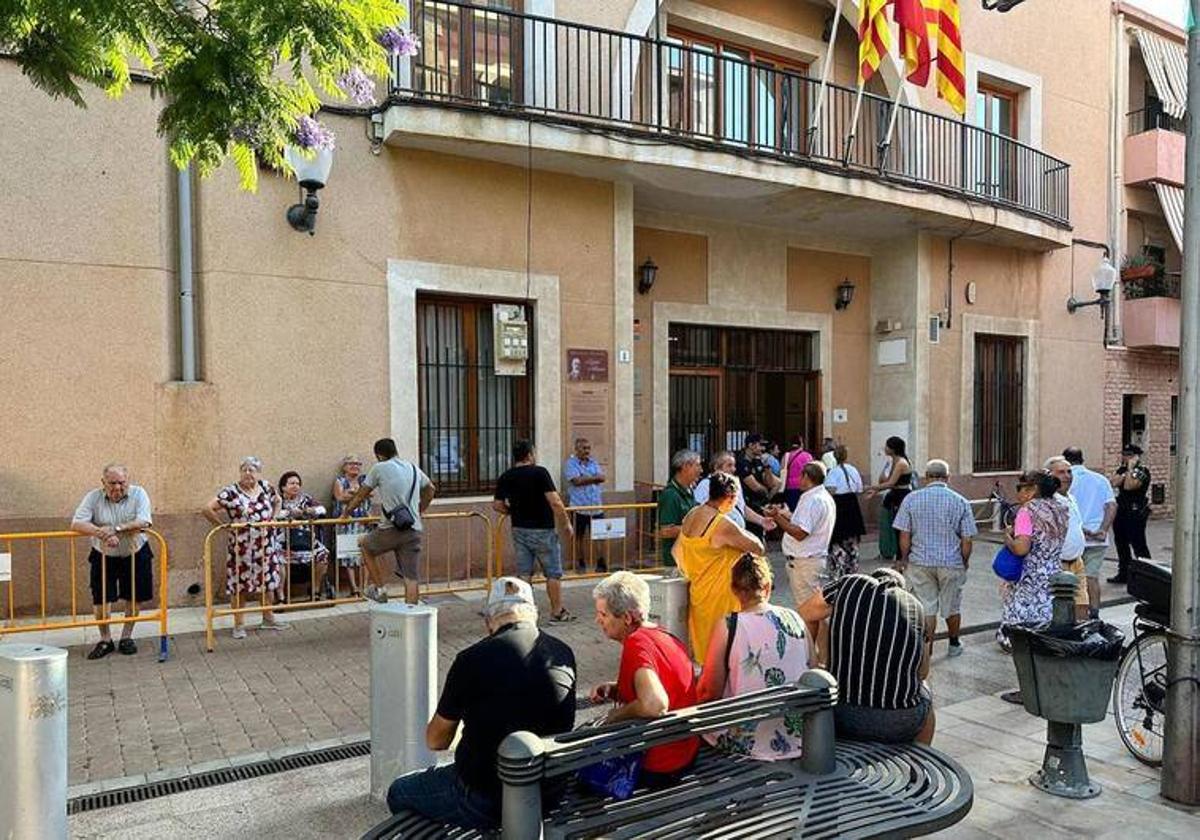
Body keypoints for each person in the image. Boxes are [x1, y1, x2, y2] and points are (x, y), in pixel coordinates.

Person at [386, 576, 576, 831]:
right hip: (550, 792)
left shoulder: (471, 660)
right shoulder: (563, 652)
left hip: (485, 799)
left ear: (489, 620)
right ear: (535, 613)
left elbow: (436, 740)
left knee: (399, 791)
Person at [799, 569, 933, 745]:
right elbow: (922, 673)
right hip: (899, 722)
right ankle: (920, 759)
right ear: (902, 590)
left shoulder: (850, 585)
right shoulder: (916, 608)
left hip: (839, 714)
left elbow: (804, 613)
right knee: (925, 691)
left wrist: (815, 663)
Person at [696, 554, 810, 760]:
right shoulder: (795, 618)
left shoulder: (729, 625)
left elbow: (708, 692)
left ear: (733, 589)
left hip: (747, 741)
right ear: (767, 586)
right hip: (799, 735)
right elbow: (811, 667)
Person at [590, 572, 699, 786]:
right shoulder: (663, 635)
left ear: (627, 618)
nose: (598, 620)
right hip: (687, 752)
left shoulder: (636, 644)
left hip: (661, 765)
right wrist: (615, 689)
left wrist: (615, 715)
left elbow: (654, 704)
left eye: (603, 614)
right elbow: (663, 685)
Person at [674, 472, 765, 662]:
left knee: (704, 654)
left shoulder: (692, 515)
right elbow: (758, 547)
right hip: (721, 597)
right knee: (723, 655)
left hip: (698, 592)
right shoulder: (721, 524)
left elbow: (676, 551)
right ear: (730, 497)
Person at [893, 460, 976, 660]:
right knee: (952, 605)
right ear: (947, 477)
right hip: (951, 561)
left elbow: (904, 535)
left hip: (920, 561)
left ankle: (926, 649)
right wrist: (964, 561)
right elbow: (967, 539)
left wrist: (904, 559)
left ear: (926, 476)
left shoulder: (911, 499)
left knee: (926, 605)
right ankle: (954, 643)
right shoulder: (960, 501)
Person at [70, 464, 155, 659]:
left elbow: (144, 521)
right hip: (103, 554)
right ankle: (105, 640)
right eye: (112, 483)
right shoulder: (93, 497)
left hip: (135, 552)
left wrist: (116, 529)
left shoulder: (139, 493)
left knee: (133, 596)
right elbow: (77, 523)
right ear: (103, 483)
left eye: (121, 483)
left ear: (128, 481)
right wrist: (102, 534)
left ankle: (126, 637)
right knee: (101, 598)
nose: (117, 488)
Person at [341, 438, 436, 605]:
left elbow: (362, 494)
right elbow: (431, 489)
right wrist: (420, 509)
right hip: (413, 528)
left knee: (365, 545)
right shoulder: (412, 467)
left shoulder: (380, 468)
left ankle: (380, 589)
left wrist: (346, 513)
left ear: (379, 455)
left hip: (390, 529)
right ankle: (411, 616)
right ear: (395, 451)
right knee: (411, 578)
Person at [202, 457, 287, 639]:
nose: (248, 473)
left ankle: (268, 618)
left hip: (266, 546)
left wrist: (274, 518)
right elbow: (207, 508)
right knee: (239, 586)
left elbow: (278, 501)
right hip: (242, 549)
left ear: (259, 472)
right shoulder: (231, 492)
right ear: (240, 472)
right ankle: (239, 624)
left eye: (253, 470)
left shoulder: (265, 486)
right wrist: (222, 526)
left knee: (268, 582)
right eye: (245, 470)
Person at [493, 440, 576, 622]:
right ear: (530, 455)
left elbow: (497, 505)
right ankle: (557, 611)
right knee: (553, 573)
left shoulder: (506, 476)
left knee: (524, 574)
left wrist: (513, 511)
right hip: (543, 530)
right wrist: (566, 523)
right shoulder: (540, 472)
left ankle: (524, 613)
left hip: (519, 529)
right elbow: (555, 501)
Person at [997, 470, 1069, 655]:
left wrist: (1007, 537)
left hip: (1030, 576)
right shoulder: (1059, 508)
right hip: (1053, 572)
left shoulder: (1026, 511)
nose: (1017, 493)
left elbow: (1021, 548)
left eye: (1019, 488)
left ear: (1032, 489)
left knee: (1023, 628)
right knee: (1045, 618)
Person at [768, 461, 836, 641]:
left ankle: (812, 653)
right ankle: (824, 655)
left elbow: (800, 533)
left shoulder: (813, 500)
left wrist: (777, 518)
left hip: (806, 562)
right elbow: (803, 523)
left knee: (810, 613)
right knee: (817, 611)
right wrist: (785, 515)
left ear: (806, 477)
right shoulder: (819, 496)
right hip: (811, 560)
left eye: (800, 475)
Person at [1063, 447, 1116, 617]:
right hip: (1097, 539)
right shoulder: (1100, 479)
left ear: (1066, 461)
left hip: (1073, 539)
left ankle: (1072, 615)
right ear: (1082, 459)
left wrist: (1081, 530)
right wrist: (1103, 530)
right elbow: (1111, 505)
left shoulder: (1066, 481)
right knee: (1091, 577)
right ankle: (1094, 613)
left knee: (1069, 579)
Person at [277, 471, 332, 601]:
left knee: (323, 553)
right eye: (291, 483)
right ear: (283, 487)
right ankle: (280, 595)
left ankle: (315, 590)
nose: (295, 486)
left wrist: (309, 510)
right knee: (276, 557)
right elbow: (273, 514)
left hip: (306, 539)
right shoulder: (278, 500)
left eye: (297, 483)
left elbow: (322, 510)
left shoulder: (306, 499)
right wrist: (290, 513)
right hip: (284, 541)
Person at [1045, 456, 1089, 620]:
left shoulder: (1072, 498)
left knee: (1082, 605)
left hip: (1077, 561)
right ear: (1050, 476)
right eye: (1061, 472)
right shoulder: (1049, 502)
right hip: (1058, 563)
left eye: (1069, 472)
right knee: (1058, 611)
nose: (1067, 476)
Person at [694, 451, 777, 535]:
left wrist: (761, 520)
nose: (734, 469)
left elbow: (742, 507)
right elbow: (699, 512)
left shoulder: (734, 483)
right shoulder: (705, 485)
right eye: (729, 465)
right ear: (716, 467)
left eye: (734, 465)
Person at [864, 436, 913, 564]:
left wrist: (871, 487)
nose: (884, 448)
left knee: (900, 527)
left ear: (893, 448)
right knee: (892, 525)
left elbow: (891, 483)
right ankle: (892, 552)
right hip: (895, 495)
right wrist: (874, 491)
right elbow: (887, 482)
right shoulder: (894, 461)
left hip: (901, 496)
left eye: (887, 446)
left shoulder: (901, 463)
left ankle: (901, 557)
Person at [1110, 444, 1152, 583]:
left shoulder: (1141, 471)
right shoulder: (1122, 469)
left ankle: (1146, 575)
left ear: (1137, 456)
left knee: (1138, 543)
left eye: (1129, 454)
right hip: (1121, 509)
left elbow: (1129, 486)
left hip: (1135, 511)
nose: (1125, 457)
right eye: (1124, 454)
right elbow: (1114, 482)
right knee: (1121, 543)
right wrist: (1126, 471)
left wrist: (1130, 469)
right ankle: (1124, 573)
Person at [564, 437, 606, 573]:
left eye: (588, 448)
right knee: (579, 537)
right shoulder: (570, 464)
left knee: (600, 535)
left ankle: (601, 562)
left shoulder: (593, 462)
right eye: (584, 448)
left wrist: (585, 478)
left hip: (596, 507)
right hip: (579, 508)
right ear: (576, 449)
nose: (587, 451)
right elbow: (576, 481)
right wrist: (594, 478)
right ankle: (580, 563)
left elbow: (602, 477)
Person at [330, 454, 370, 597]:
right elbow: (340, 497)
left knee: (366, 556)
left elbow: (370, 494)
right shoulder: (339, 481)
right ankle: (354, 588)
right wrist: (360, 494)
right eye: (351, 463)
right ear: (344, 467)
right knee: (348, 556)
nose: (355, 466)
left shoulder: (364, 479)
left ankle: (364, 587)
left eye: (358, 464)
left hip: (363, 522)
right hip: (346, 523)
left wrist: (353, 494)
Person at [824, 445, 866, 581]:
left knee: (837, 539)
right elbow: (859, 488)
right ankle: (852, 570)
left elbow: (830, 489)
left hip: (839, 505)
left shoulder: (833, 472)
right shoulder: (853, 470)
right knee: (852, 540)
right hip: (852, 504)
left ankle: (838, 571)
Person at [656, 449, 701, 568]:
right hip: (676, 562)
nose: (700, 470)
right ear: (686, 466)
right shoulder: (671, 495)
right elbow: (666, 531)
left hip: (690, 559)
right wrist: (698, 528)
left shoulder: (689, 491)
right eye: (697, 465)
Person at [735, 434, 782, 534]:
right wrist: (767, 492)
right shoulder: (742, 463)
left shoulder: (758, 461)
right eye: (760, 445)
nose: (763, 448)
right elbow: (756, 487)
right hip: (749, 505)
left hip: (760, 505)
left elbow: (771, 483)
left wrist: (767, 468)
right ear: (751, 445)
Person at [780, 436, 813, 511]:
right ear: (801, 444)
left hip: (789, 487)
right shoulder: (807, 456)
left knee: (790, 510)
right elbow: (811, 471)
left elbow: (782, 471)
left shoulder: (786, 456)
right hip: (804, 486)